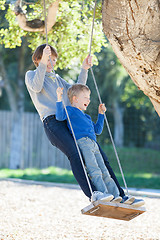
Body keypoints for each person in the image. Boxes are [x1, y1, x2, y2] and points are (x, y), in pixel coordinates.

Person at [25, 44, 144, 207]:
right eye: (48, 59)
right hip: (53, 122)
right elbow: (37, 86)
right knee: (75, 155)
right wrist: (44, 64)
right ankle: (95, 194)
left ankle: (120, 195)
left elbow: (76, 92)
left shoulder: (58, 79)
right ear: (38, 59)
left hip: (68, 120)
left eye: (53, 59)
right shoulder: (31, 75)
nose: (51, 62)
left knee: (101, 157)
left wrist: (84, 69)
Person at [56, 84, 123, 203]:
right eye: (86, 97)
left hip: (94, 144)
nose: (89, 100)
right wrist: (59, 99)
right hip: (83, 143)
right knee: (94, 170)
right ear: (75, 99)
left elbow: (98, 130)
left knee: (104, 171)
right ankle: (104, 194)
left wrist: (101, 114)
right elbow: (59, 116)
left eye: (89, 97)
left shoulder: (86, 117)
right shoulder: (70, 110)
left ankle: (116, 195)